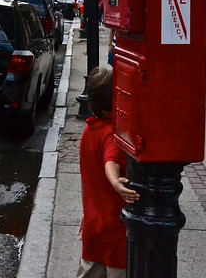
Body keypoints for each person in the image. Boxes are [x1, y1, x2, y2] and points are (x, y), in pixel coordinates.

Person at [77, 67, 139, 278]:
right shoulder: (112, 135)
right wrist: (116, 183)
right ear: (109, 109)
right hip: (115, 229)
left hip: (93, 224)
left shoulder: (89, 130)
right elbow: (110, 161)